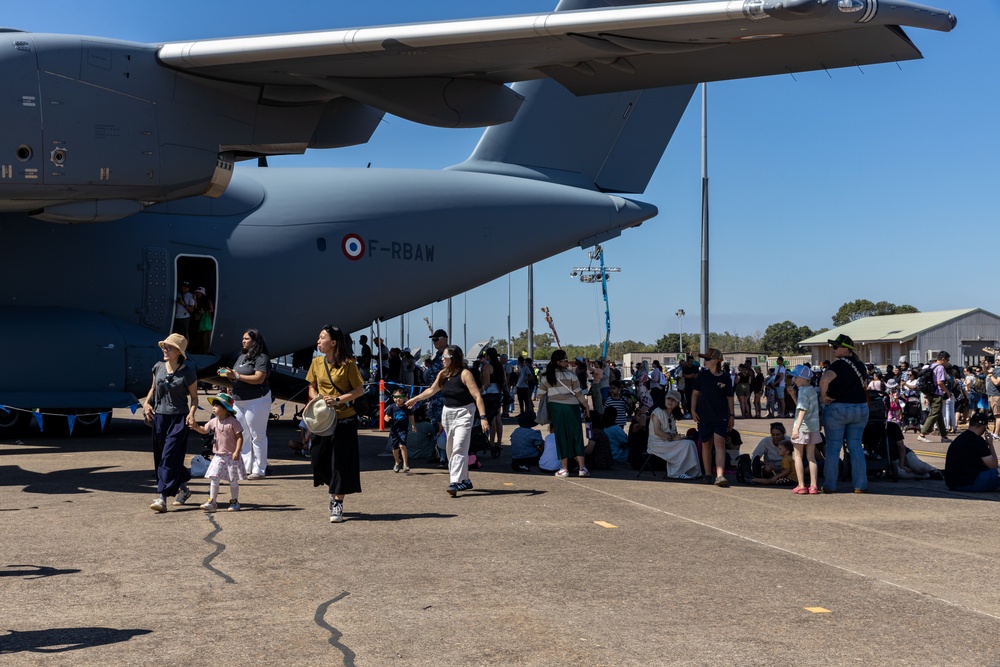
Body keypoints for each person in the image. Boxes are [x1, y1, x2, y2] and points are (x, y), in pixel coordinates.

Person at [407, 345, 489, 496]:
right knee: (451, 449)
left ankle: (454, 482)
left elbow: (477, 396)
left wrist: (483, 417)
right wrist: (415, 399)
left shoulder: (465, 374)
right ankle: (465, 480)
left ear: (454, 358)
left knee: (459, 446)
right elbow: (431, 390)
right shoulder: (443, 374)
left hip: (465, 412)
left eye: (445, 357)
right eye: (443, 357)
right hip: (448, 413)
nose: (442, 359)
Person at [306, 325, 366, 523]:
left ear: (333, 343)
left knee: (340, 462)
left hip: (345, 418)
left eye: (322, 338)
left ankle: (338, 502)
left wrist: (339, 400)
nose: (318, 341)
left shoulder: (348, 364)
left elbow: (359, 390)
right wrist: (317, 399)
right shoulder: (316, 362)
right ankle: (333, 487)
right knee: (317, 458)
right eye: (318, 337)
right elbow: (311, 388)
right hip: (323, 420)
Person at [142, 333, 197, 513]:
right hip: (159, 418)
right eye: (164, 347)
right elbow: (153, 388)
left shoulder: (187, 372)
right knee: (162, 457)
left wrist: (192, 414)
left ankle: (162, 498)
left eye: (169, 347)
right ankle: (184, 488)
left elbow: (195, 399)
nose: (165, 350)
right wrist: (146, 404)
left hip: (178, 419)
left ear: (178, 352)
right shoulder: (158, 367)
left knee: (168, 456)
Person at [819, 334, 871, 494]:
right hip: (860, 408)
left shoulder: (838, 365)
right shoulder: (861, 365)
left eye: (835, 346)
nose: (833, 349)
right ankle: (860, 484)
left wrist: (824, 396)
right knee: (856, 446)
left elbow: (824, 381)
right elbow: (865, 386)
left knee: (833, 448)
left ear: (845, 349)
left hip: (839, 408)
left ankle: (830, 484)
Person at [222, 329, 272, 480]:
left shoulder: (262, 358)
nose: (243, 341)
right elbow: (237, 377)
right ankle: (245, 466)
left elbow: (259, 378)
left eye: (246, 339)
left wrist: (236, 375)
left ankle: (259, 469)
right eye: (242, 338)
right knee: (242, 434)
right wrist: (229, 375)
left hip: (257, 399)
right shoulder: (241, 357)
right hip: (239, 400)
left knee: (258, 435)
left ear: (254, 341)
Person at [538, 349, 591, 478]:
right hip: (572, 408)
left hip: (556, 408)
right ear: (558, 361)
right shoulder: (571, 375)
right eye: (565, 360)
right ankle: (582, 468)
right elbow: (579, 393)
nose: (567, 362)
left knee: (561, 437)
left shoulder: (546, 376)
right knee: (576, 436)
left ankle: (564, 469)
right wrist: (586, 406)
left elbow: (540, 394)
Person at [189, 392, 246, 512]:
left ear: (225, 409)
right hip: (218, 456)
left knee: (232, 480)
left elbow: (240, 437)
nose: (213, 408)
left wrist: (237, 451)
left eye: (216, 405)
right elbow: (204, 430)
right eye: (213, 405)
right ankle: (212, 501)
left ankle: (235, 501)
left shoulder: (233, 422)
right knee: (214, 478)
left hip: (231, 456)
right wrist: (195, 427)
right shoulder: (213, 421)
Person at [691, 348, 734, 487]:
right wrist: (692, 410)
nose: (705, 361)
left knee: (720, 443)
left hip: (721, 415)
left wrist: (732, 415)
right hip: (704, 415)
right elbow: (695, 394)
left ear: (716, 361)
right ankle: (708, 474)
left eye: (708, 359)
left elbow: (730, 397)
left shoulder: (725, 377)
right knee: (706, 444)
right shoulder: (702, 376)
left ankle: (720, 476)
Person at [646, 388, 700, 479]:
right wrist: (672, 437)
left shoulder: (671, 415)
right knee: (686, 445)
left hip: (667, 442)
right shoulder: (657, 412)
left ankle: (691, 471)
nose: (670, 402)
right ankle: (675, 472)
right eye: (669, 399)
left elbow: (672, 431)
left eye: (674, 400)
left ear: (677, 403)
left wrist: (678, 437)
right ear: (665, 399)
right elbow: (657, 431)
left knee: (690, 443)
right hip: (657, 443)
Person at [944, 414, 1000, 492]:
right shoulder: (978, 441)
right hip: (969, 483)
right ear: (984, 427)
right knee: (997, 471)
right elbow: (994, 465)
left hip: (951, 484)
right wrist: (990, 444)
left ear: (970, 424)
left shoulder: (960, 438)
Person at [789, 365, 821, 494]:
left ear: (803, 378)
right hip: (813, 427)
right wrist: (792, 395)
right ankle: (813, 486)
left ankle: (801, 485)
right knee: (811, 457)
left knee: (797, 456)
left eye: (796, 377)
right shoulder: (812, 390)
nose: (794, 380)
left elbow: (802, 410)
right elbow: (802, 405)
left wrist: (796, 429)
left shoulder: (802, 391)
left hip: (802, 427)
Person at [917, 351, 952, 444]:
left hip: (930, 393)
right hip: (937, 394)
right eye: (947, 360)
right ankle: (922, 434)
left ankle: (944, 436)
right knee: (934, 414)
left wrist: (925, 396)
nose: (947, 362)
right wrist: (947, 391)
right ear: (943, 359)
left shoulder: (931, 366)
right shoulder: (940, 368)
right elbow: (940, 382)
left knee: (938, 415)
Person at [480, 347, 506, 449]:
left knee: (491, 419)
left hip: (489, 394)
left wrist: (479, 391)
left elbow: (486, 383)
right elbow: (504, 381)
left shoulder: (487, 367)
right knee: (498, 418)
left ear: (488, 356)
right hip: (498, 393)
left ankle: (491, 442)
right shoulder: (500, 366)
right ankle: (498, 443)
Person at [385, 390, 413, 473]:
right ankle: (397, 462)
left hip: (403, 430)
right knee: (394, 448)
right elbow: (386, 416)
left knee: (402, 445)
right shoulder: (391, 407)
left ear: (404, 397)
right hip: (394, 431)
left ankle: (405, 464)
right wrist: (387, 419)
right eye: (395, 397)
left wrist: (413, 425)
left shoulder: (406, 407)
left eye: (400, 397)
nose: (397, 399)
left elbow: (411, 416)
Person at [191, 287, 214, 354]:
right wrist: (194, 299)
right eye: (197, 293)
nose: (198, 294)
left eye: (199, 293)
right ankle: (197, 350)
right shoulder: (196, 300)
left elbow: (211, 309)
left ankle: (205, 351)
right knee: (198, 337)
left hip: (205, 320)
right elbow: (195, 307)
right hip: (198, 320)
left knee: (206, 337)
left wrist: (204, 311)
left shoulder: (207, 301)